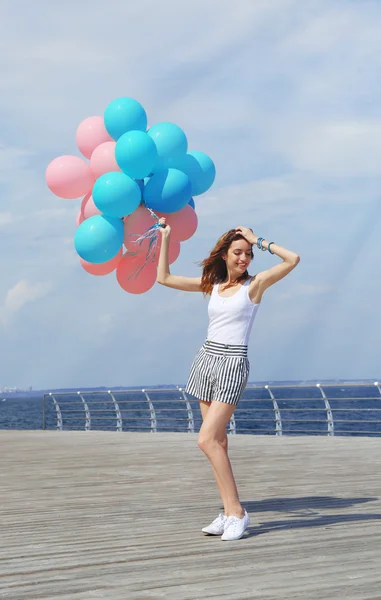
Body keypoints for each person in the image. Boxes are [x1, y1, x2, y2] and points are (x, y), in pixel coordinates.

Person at [157, 219, 300, 540]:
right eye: (238, 252)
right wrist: (165, 237)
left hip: (232, 363)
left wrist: (257, 238)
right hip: (205, 360)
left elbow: (292, 259)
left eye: (248, 254)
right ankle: (226, 510)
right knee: (217, 442)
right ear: (224, 254)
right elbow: (163, 278)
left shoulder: (256, 285)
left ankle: (237, 512)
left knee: (205, 440)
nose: (243, 259)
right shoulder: (214, 285)